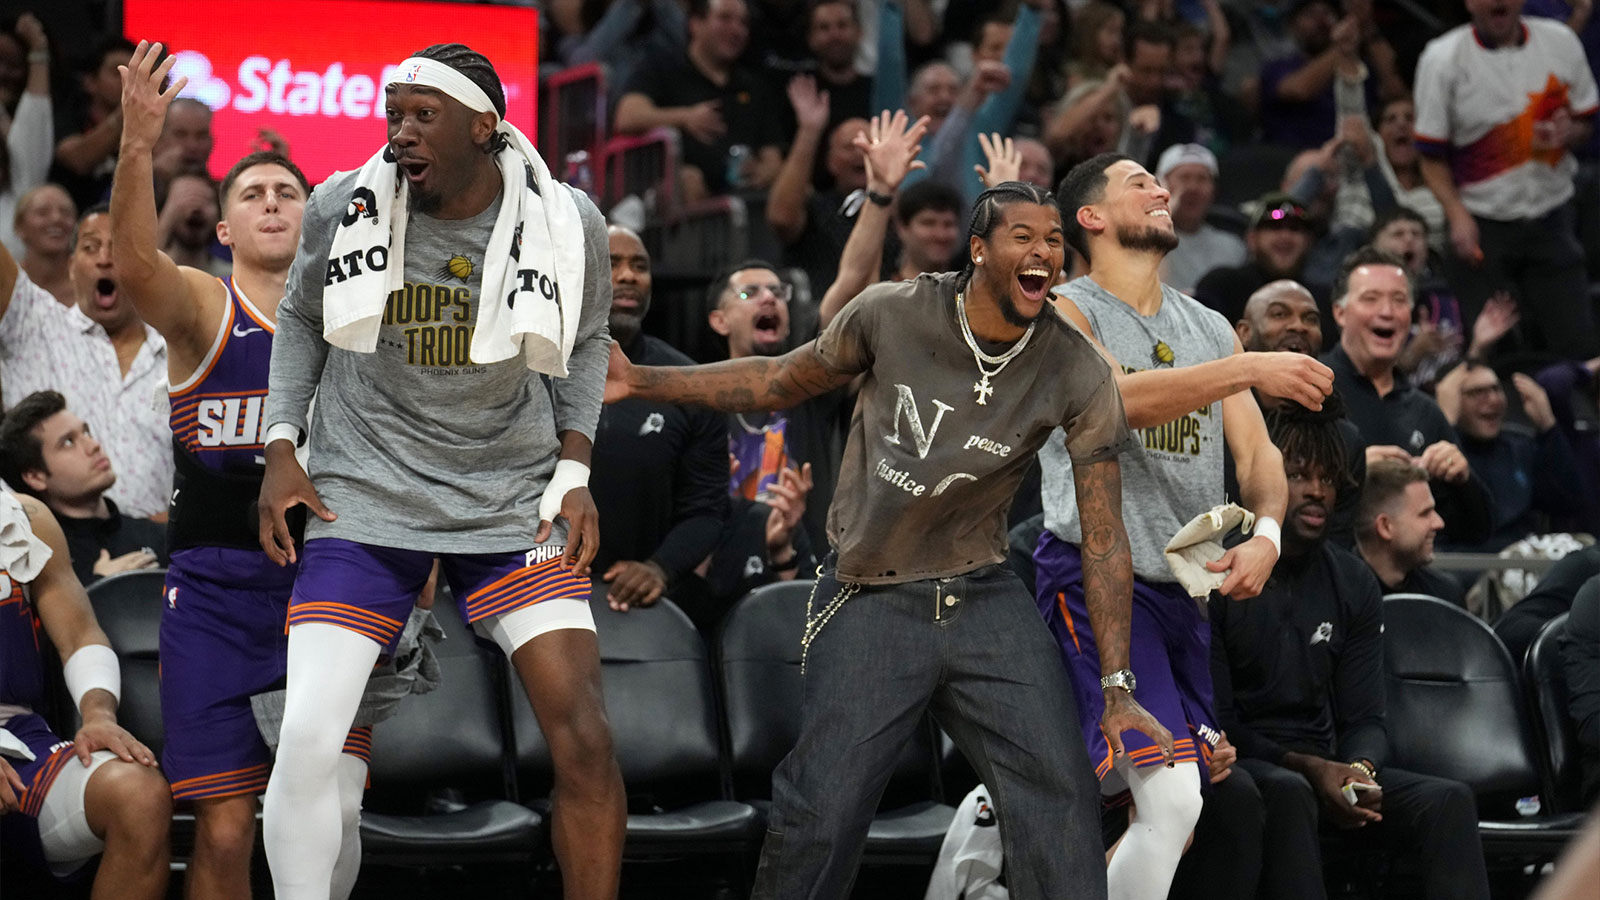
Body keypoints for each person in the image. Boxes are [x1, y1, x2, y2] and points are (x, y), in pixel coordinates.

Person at [607, 181, 1169, 899]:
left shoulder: (1075, 368)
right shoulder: (893, 313)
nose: (1044, 252)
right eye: (1023, 237)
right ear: (978, 251)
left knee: (1060, 794)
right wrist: (645, 380)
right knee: (822, 808)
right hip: (871, 591)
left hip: (984, 595)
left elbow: (1104, 538)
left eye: (1055, 240)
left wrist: (1118, 688)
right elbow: (779, 379)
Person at [257, 43, 624, 899]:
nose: (402, 133)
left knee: (586, 741)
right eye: (394, 115)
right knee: (309, 739)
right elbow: (303, 316)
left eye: (424, 116)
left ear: (483, 126)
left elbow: (591, 338)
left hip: (512, 497)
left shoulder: (567, 219)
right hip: (365, 488)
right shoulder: (341, 202)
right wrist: (281, 445)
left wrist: (575, 466)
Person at [111, 41, 375, 900]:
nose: (271, 203)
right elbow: (136, 265)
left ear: (312, 217)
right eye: (252, 194)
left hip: (330, 589)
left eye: (288, 193)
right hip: (218, 594)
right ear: (224, 228)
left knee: (334, 810)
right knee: (225, 829)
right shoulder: (203, 305)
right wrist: (137, 145)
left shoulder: (353, 322)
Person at [1040, 152, 1331, 900]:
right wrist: (1248, 368)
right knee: (1166, 800)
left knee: (1182, 807)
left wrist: (1266, 535)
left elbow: (1259, 455)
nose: (1160, 189)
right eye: (1139, 182)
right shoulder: (1064, 312)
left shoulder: (1204, 324)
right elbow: (1119, 400)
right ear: (1091, 217)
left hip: (1186, 592)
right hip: (1095, 577)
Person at [1210, 402, 1491, 900]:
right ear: (1265, 478)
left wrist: (1358, 770)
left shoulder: (1353, 580)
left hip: (1333, 764)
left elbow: (1367, 717)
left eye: (1328, 477)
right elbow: (1221, 719)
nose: (1318, 490)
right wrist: (1309, 769)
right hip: (1253, 764)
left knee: (1446, 800)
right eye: (1298, 475)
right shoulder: (1219, 570)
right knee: (1289, 791)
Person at [0, 491, 170, 897]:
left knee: (138, 794)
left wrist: (98, 714)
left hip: (17, 732)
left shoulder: (26, 514)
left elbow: (79, 635)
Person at [1415, 0, 1600, 358]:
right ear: (1468, 3)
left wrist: (1570, 131)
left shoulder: (1560, 41)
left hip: (1553, 215)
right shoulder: (1442, 59)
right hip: (1483, 224)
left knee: (1580, 346)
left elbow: (1585, 122)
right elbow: (1430, 156)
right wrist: (1456, 215)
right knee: (1494, 350)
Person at [0, 203, 172, 520]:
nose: (105, 259)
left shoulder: (180, 355)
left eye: (120, 249)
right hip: (46, 552)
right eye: (91, 248)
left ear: (147, 267)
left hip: (157, 555)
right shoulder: (32, 324)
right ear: (71, 266)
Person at [590, 225, 728, 617]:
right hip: (534, 590)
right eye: (611, 263)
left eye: (640, 266)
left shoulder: (688, 384)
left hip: (640, 607)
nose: (629, 275)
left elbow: (707, 509)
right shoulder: (530, 370)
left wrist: (659, 568)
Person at [1321, 246, 1492, 547]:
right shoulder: (1311, 390)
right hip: (1329, 574)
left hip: (1412, 580)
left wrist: (1463, 478)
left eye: (1398, 300)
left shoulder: (1425, 411)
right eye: (1371, 298)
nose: (1386, 311)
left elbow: (1476, 533)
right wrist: (1355, 471)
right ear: (1340, 312)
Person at [613, 0, 783, 200]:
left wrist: (766, 171)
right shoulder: (662, 67)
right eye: (725, 18)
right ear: (695, 24)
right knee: (688, 180)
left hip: (745, 196)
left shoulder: (753, 86)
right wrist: (685, 117)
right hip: (680, 199)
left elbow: (773, 155)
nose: (737, 30)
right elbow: (627, 116)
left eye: (744, 23)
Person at [0, 390, 166, 585]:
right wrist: (99, 585)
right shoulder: (36, 566)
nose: (93, 445)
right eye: (69, 442)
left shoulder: (160, 536)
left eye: (86, 432)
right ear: (36, 477)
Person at [1435, 361, 1583, 552]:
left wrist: (1548, 428)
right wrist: (1444, 422)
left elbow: (1568, 503)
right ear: (1451, 400)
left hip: (1522, 562)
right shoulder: (1432, 448)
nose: (1493, 400)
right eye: (1477, 392)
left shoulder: (1520, 447)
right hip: (1465, 565)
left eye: (1496, 389)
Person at [1193, 192, 1325, 331]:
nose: (1286, 237)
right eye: (1275, 227)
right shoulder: (1222, 287)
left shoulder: (1322, 300)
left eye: (1295, 229)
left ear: (1309, 242)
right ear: (1252, 239)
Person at [1354, 458, 1463, 605]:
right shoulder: (1339, 597)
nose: (1439, 523)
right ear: (1385, 526)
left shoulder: (1444, 596)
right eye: (1425, 513)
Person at [50, 37, 134, 210]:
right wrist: (128, 108)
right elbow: (79, 160)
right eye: (118, 72)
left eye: (135, 73)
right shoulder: (68, 117)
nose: (130, 81)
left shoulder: (148, 123)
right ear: (90, 82)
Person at [1154, 143, 1245, 295]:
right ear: (1162, 185)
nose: (1193, 188)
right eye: (1184, 178)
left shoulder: (1233, 247)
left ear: (1214, 190)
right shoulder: (1146, 239)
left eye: (1202, 179)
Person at [0, 13, 52, 258]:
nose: (2, 72)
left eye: (11, 65)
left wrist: (39, 51)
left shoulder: (19, 185)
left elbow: (33, 125)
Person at [12, 183, 75, 305]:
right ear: (19, 226)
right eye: (43, 212)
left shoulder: (90, 286)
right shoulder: (6, 282)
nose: (56, 218)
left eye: (65, 213)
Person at [156, 170, 227, 277]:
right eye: (183, 199)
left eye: (205, 200)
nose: (196, 208)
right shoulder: (148, 273)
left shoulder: (231, 277)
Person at [890, 179, 961, 282]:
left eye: (948, 224)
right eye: (929, 223)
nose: (940, 235)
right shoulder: (881, 290)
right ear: (901, 228)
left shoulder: (968, 293)